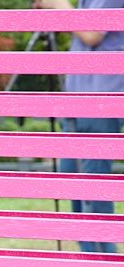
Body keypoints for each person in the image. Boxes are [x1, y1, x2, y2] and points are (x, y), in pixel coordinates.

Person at [34, 0, 124, 254]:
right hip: (77, 95)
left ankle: (105, 262)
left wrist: (59, 4)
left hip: (101, 97)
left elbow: (92, 34)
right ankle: (88, 259)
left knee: (94, 183)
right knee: (71, 178)